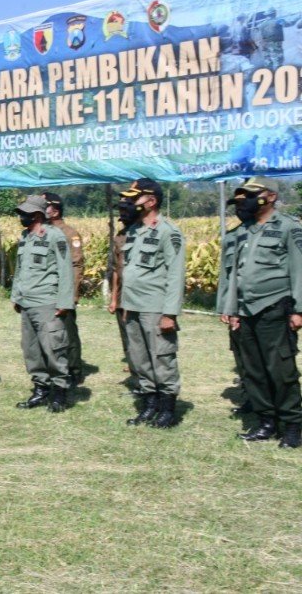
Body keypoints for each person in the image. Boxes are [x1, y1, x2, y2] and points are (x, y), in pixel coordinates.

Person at [217, 179, 302, 448]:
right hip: (244, 311)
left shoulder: (288, 227)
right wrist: (230, 309)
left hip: (275, 308)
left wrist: (299, 309)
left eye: (251, 196)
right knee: (253, 371)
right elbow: (232, 275)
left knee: (280, 370)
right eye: (241, 198)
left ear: (271, 196)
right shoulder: (240, 233)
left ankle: (292, 425)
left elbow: (299, 269)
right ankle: (266, 421)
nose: (245, 202)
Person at [119, 179, 186, 428]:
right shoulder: (134, 230)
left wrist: (170, 313)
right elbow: (131, 271)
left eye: (133, 198)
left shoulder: (169, 231)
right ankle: (149, 405)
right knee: (140, 359)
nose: (127, 202)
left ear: (151, 201)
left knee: (162, 358)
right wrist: (126, 305)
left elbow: (175, 273)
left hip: (156, 307)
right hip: (134, 306)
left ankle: (168, 410)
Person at [12, 195, 75, 413]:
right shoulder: (25, 236)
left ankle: (59, 393)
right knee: (31, 350)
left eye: (25, 212)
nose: (21, 216)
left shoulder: (55, 236)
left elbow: (66, 269)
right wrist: (16, 296)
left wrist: (65, 301)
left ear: (37, 214)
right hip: (27, 302)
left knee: (53, 348)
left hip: (47, 301)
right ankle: (40, 389)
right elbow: (20, 269)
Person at [43, 192, 85, 384]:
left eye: (45, 206)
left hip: (64, 291)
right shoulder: (42, 232)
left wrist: (72, 295)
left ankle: (74, 370)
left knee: (68, 332)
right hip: (46, 291)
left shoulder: (69, 234)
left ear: (55, 211)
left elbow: (76, 265)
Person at [108, 197, 138, 383]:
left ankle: (139, 368)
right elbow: (115, 271)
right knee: (125, 333)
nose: (123, 216)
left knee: (136, 333)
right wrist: (113, 299)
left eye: (126, 212)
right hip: (120, 295)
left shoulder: (140, 235)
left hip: (136, 294)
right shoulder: (119, 236)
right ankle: (132, 364)